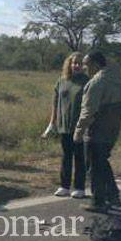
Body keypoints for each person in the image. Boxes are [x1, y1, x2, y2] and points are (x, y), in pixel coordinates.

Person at [73, 51, 121, 213]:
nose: (83, 67)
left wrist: (78, 132)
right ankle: (113, 195)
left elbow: (88, 112)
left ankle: (98, 201)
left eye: (86, 64)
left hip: (97, 130)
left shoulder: (96, 82)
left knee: (94, 167)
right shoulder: (118, 79)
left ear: (95, 65)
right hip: (112, 129)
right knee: (102, 162)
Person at [41, 52, 88, 198]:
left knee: (79, 157)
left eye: (80, 63)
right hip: (64, 126)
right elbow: (55, 103)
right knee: (66, 156)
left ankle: (80, 188)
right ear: (69, 64)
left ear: (84, 66)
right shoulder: (61, 81)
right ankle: (64, 186)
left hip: (80, 127)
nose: (77, 65)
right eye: (74, 63)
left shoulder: (87, 81)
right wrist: (52, 124)